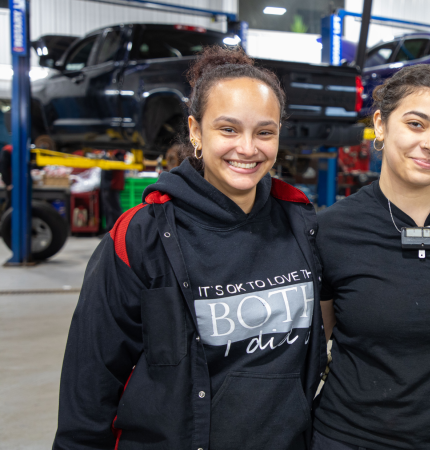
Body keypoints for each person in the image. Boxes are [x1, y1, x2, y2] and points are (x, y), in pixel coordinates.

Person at [53, 46, 326, 449]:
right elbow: (90, 382)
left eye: (264, 132)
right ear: (196, 131)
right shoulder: (139, 238)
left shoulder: (300, 222)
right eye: (228, 129)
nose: (248, 148)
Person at [313, 64, 430, 449]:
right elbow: (320, 336)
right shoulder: (332, 230)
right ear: (380, 124)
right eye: (416, 124)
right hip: (348, 437)